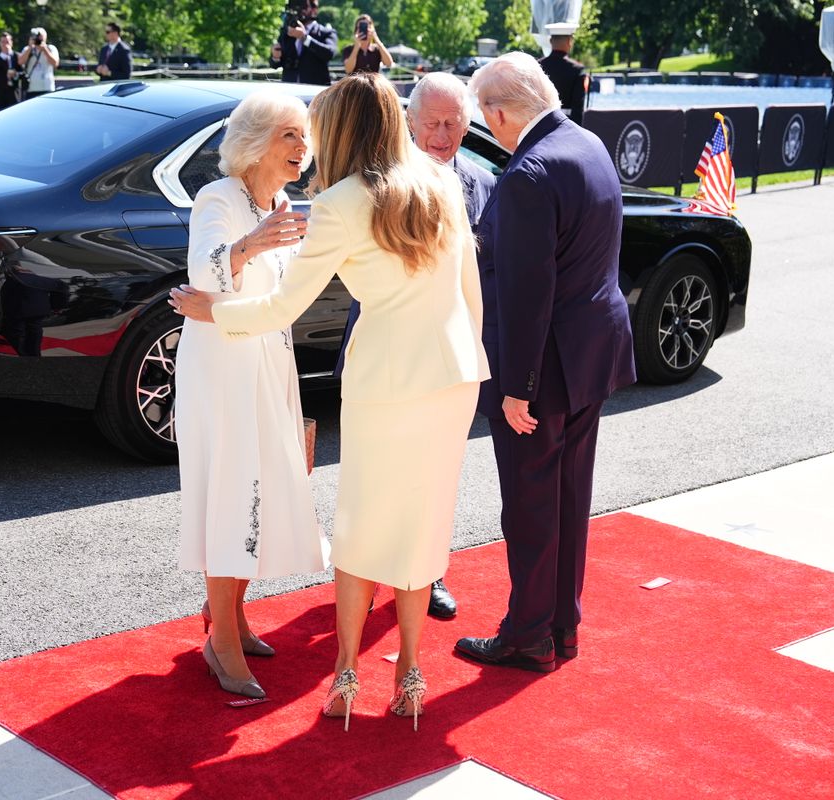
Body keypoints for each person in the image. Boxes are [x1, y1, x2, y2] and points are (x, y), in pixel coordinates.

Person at [170, 73, 488, 731]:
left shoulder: (341, 202)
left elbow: (287, 305)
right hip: (455, 374)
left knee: (363, 524)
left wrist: (216, 313)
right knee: (424, 523)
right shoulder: (440, 180)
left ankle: (345, 676)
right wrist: (468, 359)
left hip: (388, 380)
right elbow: (472, 294)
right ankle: (408, 673)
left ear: (341, 130)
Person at [454, 53, 635, 672]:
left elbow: (527, 292)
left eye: (486, 117)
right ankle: (563, 627)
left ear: (499, 113)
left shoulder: (529, 172)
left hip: (545, 367)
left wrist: (516, 387)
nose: (490, 127)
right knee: (568, 497)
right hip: (592, 354)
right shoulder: (588, 144)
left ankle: (528, 635)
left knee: (531, 504)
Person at [171, 91, 329, 700]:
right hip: (222, 369)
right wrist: (252, 244)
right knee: (232, 493)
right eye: (289, 135)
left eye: (303, 136)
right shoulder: (219, 199)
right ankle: (222, 645)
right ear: (257, 142)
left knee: (262, 486)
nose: (301, 148)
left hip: (268, 361)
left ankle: (231, 617)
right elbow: (204, 275)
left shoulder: (284, 203)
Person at [332, 71, 494, 621]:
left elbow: (478, 280)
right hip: (386, 355)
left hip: (446, 366)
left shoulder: (479, 184)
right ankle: (371, 575)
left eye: (454, 123)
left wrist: (473, 354)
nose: (443, 134)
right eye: (433, 123)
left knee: (429, 485)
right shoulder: (370, 181)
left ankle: (428, 575)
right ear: (410, 122)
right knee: (378, 486)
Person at [269, 0, 336, 85]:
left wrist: (305, 38)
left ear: (314, 9)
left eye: (303, 7)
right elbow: (275, 65)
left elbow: (329, 53)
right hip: (290, 90)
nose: (298, 11)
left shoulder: (326, 32)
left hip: (316, 91)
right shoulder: (287, 33)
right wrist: (275, 57)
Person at [538, 22, 586, 124]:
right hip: (566, 123)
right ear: (570, 41)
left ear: (550, 41)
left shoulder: (537, 66)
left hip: (540, 123)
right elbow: (577, 108)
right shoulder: (576, 70)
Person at [18, 26, 59, 98]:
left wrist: (45, 49)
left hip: (47, 87)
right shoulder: (27, 49)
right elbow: (20, 62)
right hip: (31, 88)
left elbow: (55, 63)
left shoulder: (51, 48)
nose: (38, 39)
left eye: (40, 37)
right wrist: (30, 48)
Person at [0, 31, 19, 111]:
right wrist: (4, 55)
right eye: (3, 42)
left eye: (7, 42)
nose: (5, 44)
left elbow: (21, 71)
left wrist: (15, 74)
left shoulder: (16, 56)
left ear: (11, 42)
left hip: (13, 92)